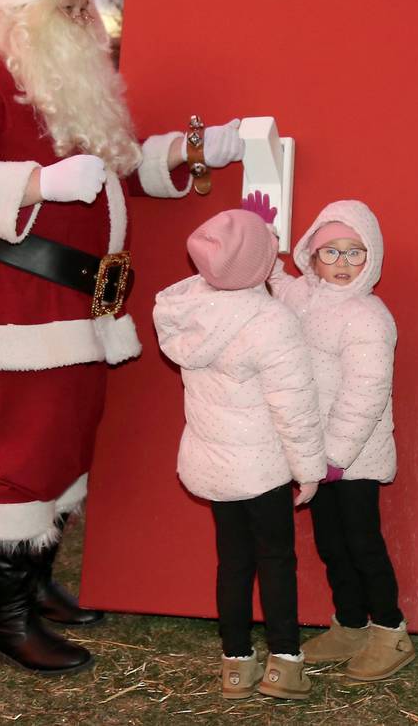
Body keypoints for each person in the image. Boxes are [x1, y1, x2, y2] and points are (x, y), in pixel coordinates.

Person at [0, 0, 243, 675]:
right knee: (21, 457)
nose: (86, 20)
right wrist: (35, 184)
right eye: (68, 6)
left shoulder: (66, 78)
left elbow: (119, 168)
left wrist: (195, 152)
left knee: (63, 446)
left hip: (76, 302)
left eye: (85, 5)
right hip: (11, 302)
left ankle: (34, 581)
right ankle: (10, 623)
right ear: (24, 9)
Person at [153, 208, 325, 701]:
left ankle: (235, 664)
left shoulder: (188, 309)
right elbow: (294, 404)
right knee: (275, 560)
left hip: (213, 465)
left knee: (232, 562)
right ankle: (285, 662)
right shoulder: (273, 321)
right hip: (263, 468)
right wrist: (309, 469)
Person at [259, 195, 415, 680]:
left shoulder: (369, 316)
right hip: (314, 453)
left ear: (372, 257)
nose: (343, 263)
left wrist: (337, 457)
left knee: (362, 543)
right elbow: (280, 286)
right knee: (330, 543)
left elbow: (366, 393)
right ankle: (350, 623)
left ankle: (391, 631)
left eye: (355, 252)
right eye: (331, 252)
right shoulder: (305, 296)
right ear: (312, 255)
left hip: (354, 457)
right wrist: (265, 243)